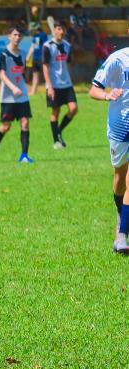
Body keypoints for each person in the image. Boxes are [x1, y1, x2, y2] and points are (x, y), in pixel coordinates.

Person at [90, 40, 129, 254]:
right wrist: (108, 95)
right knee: (120, 176)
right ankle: (120, 216)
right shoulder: (116, 59)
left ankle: (122, 235)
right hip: (119, 126)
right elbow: (93, 90)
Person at [0, 27, 33, 164]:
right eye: (15, 35)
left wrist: (29, 56)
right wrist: (13, 88)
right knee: (5, 126)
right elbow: (2, 74)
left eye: (19, 35)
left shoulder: (23, 54)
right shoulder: (4, 54)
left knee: (25, 123)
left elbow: (22, 72)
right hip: (8, 96)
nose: (17, 37)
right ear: (9, 36)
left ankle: (24, 156)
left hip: (22, 95)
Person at [43, 21, 77, 149]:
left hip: (67, 84)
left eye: (63, 29)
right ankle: (56, 141)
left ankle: (59, 132)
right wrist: (49, 86)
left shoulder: (67, 46)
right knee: (55, 111)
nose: (61, 32)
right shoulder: (47, 46)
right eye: (59, 29)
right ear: (54, 30)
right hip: (54, 85)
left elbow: (68, 63)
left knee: (73, 109)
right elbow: (45, 67)